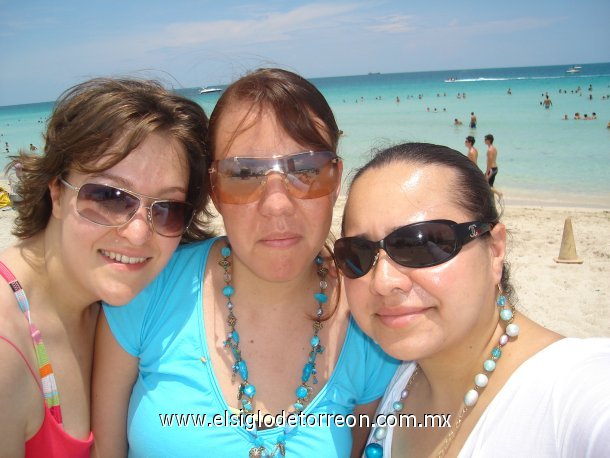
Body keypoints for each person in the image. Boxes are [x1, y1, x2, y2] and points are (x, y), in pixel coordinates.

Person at [93, 68, 398, 457]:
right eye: (244, 174)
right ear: (215, 191)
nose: (277, 205)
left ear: (336, 178)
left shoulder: (371, 319)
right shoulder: (151, 287)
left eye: (306, 170)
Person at [334, 142, 610, 457]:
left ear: (494, 250)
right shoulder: (395, 381)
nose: (383, 282)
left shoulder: (573, 396)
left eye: (422, 244)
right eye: (357, 254)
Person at [0, 78, 212, 457]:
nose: (137, 233)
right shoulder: (6, 351)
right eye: (110, 196)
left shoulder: (115, 306)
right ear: (56, 191)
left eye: (167, 209)